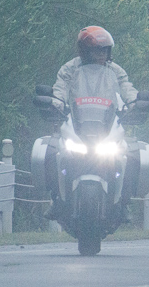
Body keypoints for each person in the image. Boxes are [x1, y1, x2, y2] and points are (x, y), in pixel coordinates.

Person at [45, 26, 141, 219]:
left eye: (105, 50)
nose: (102, 54)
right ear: (85, 51)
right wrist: (55, 103)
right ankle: (56, 200)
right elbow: (60, 88)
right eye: (98, 50)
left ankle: (124, 202)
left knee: (133, 156)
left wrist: (135, 103)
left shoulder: (114, 70)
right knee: (50, 152)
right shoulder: (70, 68)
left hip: (107, 122)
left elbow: (126, 86)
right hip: (76, 121)